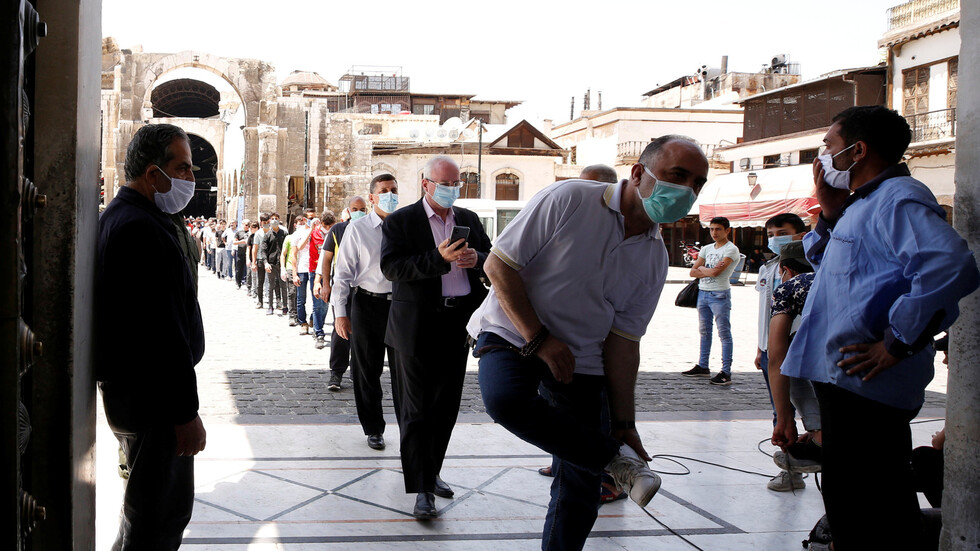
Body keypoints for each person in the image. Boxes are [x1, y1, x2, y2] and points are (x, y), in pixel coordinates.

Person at [469, 136, 708, 550]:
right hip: (512, 331)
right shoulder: (571, 198)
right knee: (506, 400)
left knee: (580, 484)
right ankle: (614, 461)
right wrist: (540, 338)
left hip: (583, 359)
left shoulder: (654, 258)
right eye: (677, 176)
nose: (686, 191)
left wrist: (623, 423)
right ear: (638, 173)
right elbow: (499, 265)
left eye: (697, 183)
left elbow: (623, 344)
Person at [781, 106, 979, 550]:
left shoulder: (898, 197)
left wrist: (898, 341)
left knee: (873, 509)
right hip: (843, 381)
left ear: (858, 150)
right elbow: (846, 272)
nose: (823, 158)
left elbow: (948, 265)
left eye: (829, 147)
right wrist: (830, 216)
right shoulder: (863, 203)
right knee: (851, 503)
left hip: (869, 385)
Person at [96, 123, 206, 550]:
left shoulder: (133, 217)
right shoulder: (139, 228)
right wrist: (185, 414)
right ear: (151, 172)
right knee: (160, 516)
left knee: (145, 510)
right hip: (154, 400)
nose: (190, 179)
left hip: (139, 395)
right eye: (181, 168)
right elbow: (163, 333)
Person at [380, 155, 492, 520]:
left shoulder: (469, 220)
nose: (451, 190)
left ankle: (432, 470)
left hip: (457, 323)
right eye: (444, 183)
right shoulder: (402, 221)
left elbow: (494, 258)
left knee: (445, 407)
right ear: (425, 184)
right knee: (416, 411)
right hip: (415, 327)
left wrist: (478, 258)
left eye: (456, 183)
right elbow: (392, 267)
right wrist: (437, 258)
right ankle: (422, 489)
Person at [535, 163, 627, 505]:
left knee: (594, 417)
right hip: (554, 341)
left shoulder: (622, 232)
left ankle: (609, 475)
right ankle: (566, 462)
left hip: (595, 350)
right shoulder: (567, 218)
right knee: (553, 409)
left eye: (592, 190)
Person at [332, 174, 400, 450]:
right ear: (372, 197)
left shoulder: (405, 226)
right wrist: (340, 312)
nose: (390, 195)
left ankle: (408, 424)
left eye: (394, 190)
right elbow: (343, 273)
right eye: (384, 191)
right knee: (366, 370)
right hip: (367, 305)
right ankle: (373, 428)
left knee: (404, 370)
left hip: (400, 306)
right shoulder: (358, 230)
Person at [753, 213, 807, 491]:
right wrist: (761, 347)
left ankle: (801, 461)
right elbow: (765, 312)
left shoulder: (808, 270)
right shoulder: (769, 269)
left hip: (799, 350)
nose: (776, 239)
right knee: (780, 410)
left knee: (805, 410)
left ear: (800, 234)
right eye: (771, 234)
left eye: (782, 232)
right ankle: (791, 467)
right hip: (770, 351)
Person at [766, 241, 823, 474]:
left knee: (793, 357)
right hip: (898, 361)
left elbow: (777, 359)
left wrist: (784, 418)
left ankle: (821, 437)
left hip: (845, 368)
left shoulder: (793, 285)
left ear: (784, 271)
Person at [682, 216, 740, 385]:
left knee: (724, 333)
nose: (714, 232)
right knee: (704, 331)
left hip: (719, 294)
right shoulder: (707, 248)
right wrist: (704, 269)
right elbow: (692, 272)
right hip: (703, 293)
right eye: (712, 229)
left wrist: (702, 268)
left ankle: (726, 371)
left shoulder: (731, 249)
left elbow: (716, 273)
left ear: (727, 230)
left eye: (718, 229)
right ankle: (703, 365)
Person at [262, 215, 288, 316]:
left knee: (283, 285)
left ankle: (285, 306)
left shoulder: (284, 234)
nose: (274, 221)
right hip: (271, 263)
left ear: (279, 220)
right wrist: (266, 263)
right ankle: (270, 306)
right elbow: (263, 250)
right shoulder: (267, 234)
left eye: (276, 219)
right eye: (272, 219)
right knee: (271, 286)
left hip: (282, 264)